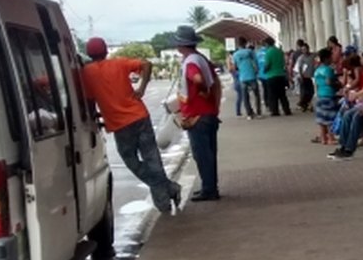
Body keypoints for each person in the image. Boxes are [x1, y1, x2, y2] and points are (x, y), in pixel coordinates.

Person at [81, 37, 181, 213]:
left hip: (120, 125)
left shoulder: (86, 73)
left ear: (88, 53)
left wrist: (92, 117)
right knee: (152, 159)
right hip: (140, 117)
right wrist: (141, 88)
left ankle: (167, 194)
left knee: (131, 161)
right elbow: (146, 64)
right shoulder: (119, 63)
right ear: (105, 51)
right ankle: (165, 195)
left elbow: (89, 101)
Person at [170, 26, 222, 202]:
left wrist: (201, 92)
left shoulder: (191, 62)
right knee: (209, 154)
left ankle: (209, 189)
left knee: (202, 155)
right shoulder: (201, 58)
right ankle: (210, 187)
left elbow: (198, 79)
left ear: (181, 45)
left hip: (198, 115)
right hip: (208, 114)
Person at [312, 48, 339, 145]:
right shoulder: (328, 69)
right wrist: (337, 84)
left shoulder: (317, 70)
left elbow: (316, 83)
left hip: (320, 95)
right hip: (329, 95)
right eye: (331, 56)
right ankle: (331, 138)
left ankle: (323, 138)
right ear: (327, 58)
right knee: (330, 118)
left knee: (322, 119)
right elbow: (328, 81)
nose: (332, 58)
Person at [260, 37, 291, 116]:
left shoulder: (268, 52)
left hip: (271, 76)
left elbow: (267, 65)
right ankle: (287, 110)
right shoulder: (279, 51)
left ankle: (275, 111)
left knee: (273, 95)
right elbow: (283, 63)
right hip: (281, 75)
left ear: (267, 44)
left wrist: (264, 70)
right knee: (282, 95)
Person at [232, 37, 261, 118]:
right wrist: (256, 71)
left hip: (242, 77)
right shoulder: (250, 52)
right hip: (252, 75)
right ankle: (258, 112)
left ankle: (249, 114)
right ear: (245, 43)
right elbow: (256, 63)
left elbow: (234, 67)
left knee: (245, 97)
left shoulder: (235, 54)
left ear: (238, 44)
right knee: (256, 95)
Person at [293, 41, 314, 112]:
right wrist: (301, 76)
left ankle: (303, 103)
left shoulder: (313, 56)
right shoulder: (301, 58)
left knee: (311, 91)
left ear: (308, 49)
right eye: (302, 50)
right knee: (305, 92)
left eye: (305, 49)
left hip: (311, 76)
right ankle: (304, 104)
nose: (304, 51)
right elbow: (299, 68)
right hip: (304, 77)